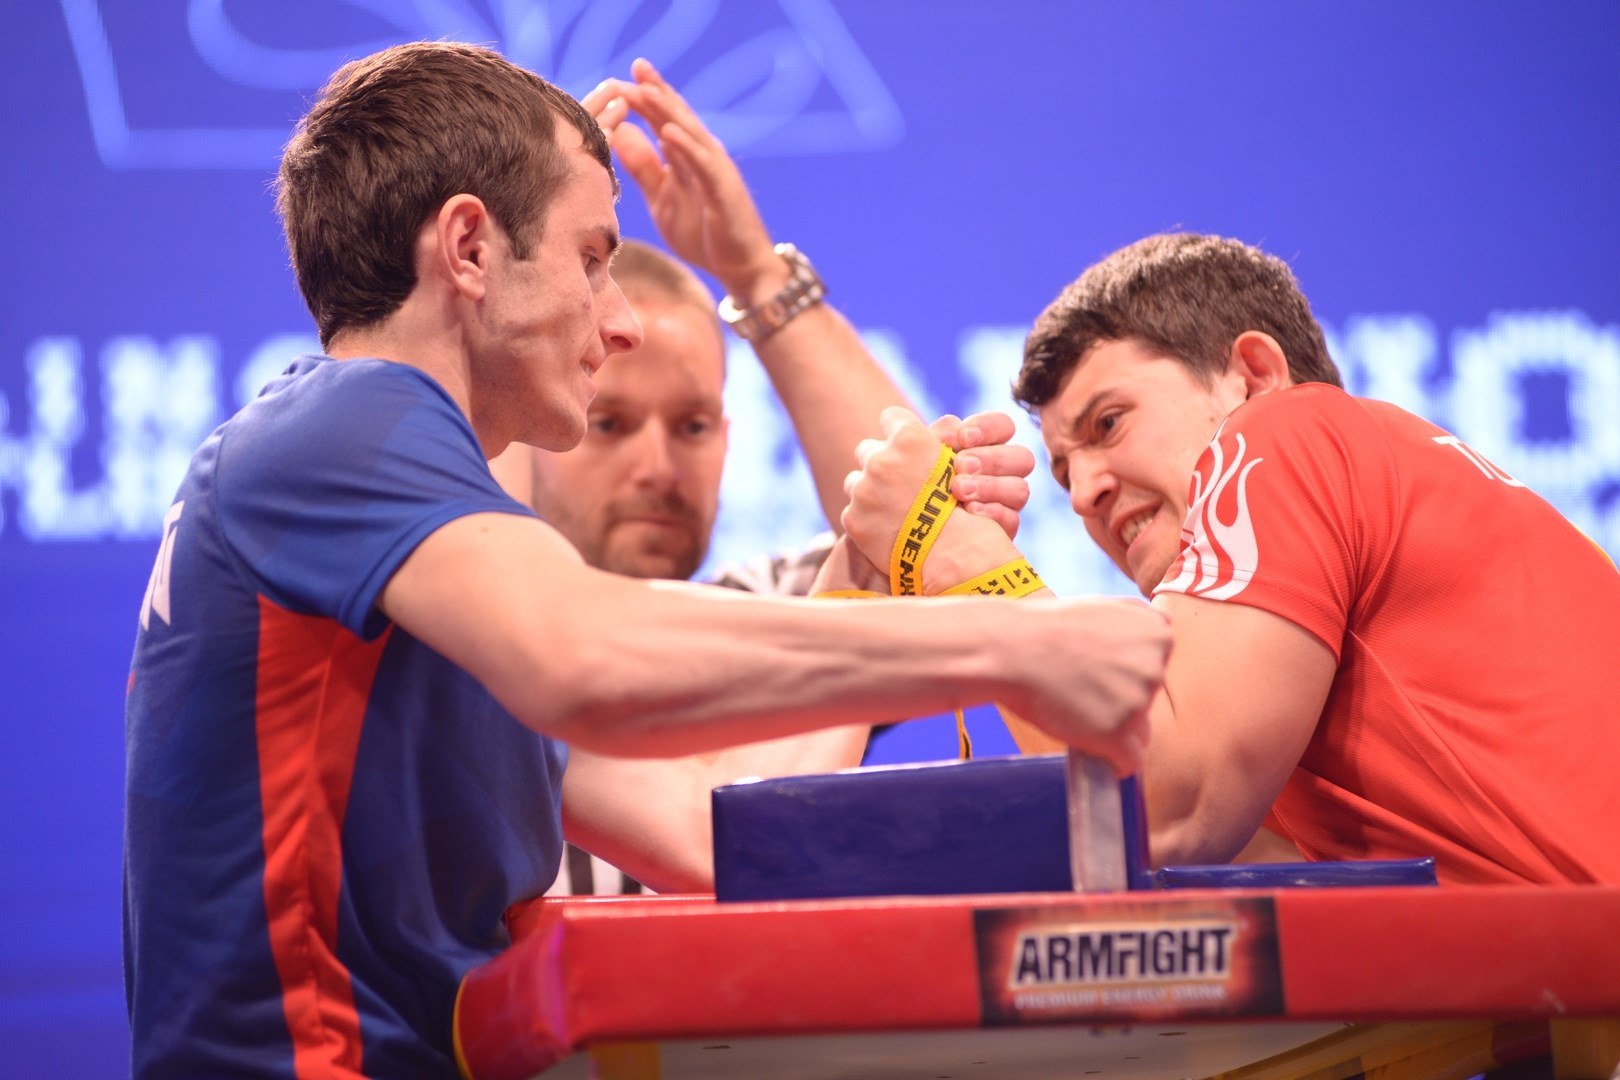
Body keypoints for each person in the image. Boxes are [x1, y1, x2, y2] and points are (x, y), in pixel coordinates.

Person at [122, 42, 1171, 1077]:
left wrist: (862, 570)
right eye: (590, 259)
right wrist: (1015, 638)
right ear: (471, 250)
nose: (619, 319)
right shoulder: (345, 418)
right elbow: (581, 656)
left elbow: (708, 828)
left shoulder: (438, 573)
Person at [840, 232, 1620, 887]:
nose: (1082, 494)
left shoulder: (1285, 433)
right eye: (1064, 470)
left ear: (1253, 375)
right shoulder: (1381, 521)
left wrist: (957, 560)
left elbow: (1169, 814)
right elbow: (1189, 858)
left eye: (1108, 424)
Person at [490, 66, 1034, 894]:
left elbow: (918, 505)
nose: (657, 467)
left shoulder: (772, 612)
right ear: (544, 417)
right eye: (610, 422)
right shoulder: (466, 631)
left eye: (692, 425)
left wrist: (758, 278)